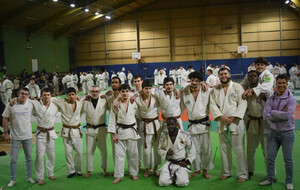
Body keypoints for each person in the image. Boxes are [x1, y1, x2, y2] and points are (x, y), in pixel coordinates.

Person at [210, 68, 248, 183]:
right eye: (221, 74)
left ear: (229, 74)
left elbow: (243, 103)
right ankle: (226, 172)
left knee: (239, 148)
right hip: (222, 122)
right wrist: (221, 117)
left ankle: (242, 174)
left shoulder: (237, 87)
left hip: (236, 122)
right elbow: (212, 105)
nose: (223, 76)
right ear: (218, 76)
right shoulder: (215, 90)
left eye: (225, 74)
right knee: (224, 148)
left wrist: (235, 116)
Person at [260, 74, 296, 190]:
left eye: (283, 83)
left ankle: (289, 181)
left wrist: (273, 113)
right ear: (276, 84)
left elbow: (287, 115)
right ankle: (270, 178)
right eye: (279, 83)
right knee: (270, 157)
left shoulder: (291, 99)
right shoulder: (271, 98)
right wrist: (278, 112)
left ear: (287, 83)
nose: (281, 85)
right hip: (273, 132)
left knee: (288, 159)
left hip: (287, 133)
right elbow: (265, 115)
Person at [181, 72, 213, 179]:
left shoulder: (206, 91)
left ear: (200, 82)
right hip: (192, 125)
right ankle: (196, 169)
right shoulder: (185, 92)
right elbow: (180, 107)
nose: (194, 83)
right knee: (194, 149)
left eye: (196, 81)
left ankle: (205, 169)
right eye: (192, 81)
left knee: (206, 148)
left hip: (204, 124)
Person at [2, 87, 35, 187]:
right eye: (22, 93)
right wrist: (6, 133)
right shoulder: (11, 104)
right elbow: (5, 118)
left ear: (28, 95)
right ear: (18, 94)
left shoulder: (31, 103)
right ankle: (13, 179)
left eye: (26, 94)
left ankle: (29, 176)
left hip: (28, 136)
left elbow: (44, 99)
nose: (24, 95)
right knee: (13, 160)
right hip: (15, 137)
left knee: (29, 158)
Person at [107, 84, 140, 184]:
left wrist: (136, 95)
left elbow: (144, 92)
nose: (125, 93)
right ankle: (119, 175)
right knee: (119, 155)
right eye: (123, 91)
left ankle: (133, 173)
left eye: (127, 91)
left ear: (129, 92)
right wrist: (113, 134)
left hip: (132, 131)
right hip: (120, 131)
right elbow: (112, 119)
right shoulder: (116, 105)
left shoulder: (134, 102)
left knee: (133, 154)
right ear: (119, 92)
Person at [243, 71, 272, 178]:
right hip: (251, 123)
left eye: (255, 76)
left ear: (258, 77)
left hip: (264, 123)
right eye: (250, 76)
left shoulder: (265, 90)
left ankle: (271, 173)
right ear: (248, 78)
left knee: (267, 151)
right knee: (250, 150)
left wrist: (263, 96)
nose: (253, 77)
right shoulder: (245, 92)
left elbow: (272, 102)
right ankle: (250, 171)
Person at [52, 87, 84, 178]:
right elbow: (51, 99)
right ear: (67, 96)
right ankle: (71, 171)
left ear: (76, 95)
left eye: (73, 94)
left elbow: (90, 98)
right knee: (68, 152)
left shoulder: (80, 102)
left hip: (77, 131)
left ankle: (79, 169)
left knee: (79, 152)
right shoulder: (62, 102)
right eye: (69, 95)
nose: (71, 96)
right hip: (66, 131)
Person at [31, 87, 58, 185]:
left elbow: (66, 100)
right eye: (44, 95)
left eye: (48, 95)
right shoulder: (35, 104)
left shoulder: (55, 104)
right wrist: (15, 99)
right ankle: (40, 177)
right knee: (39, 156)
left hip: (50, 132)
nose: (46, 97)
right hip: (41, 134)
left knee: (51, 155)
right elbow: (24, 100)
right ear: (41, 96)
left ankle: (50, 173)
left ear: (51, 96)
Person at [158, 117, 196, 187]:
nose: (170, 126)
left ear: (176, 124)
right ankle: (174, 176)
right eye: (168, 125)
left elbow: (192, 149)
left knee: (182, 183)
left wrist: (187, 162)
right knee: (162, 183)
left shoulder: (185, 135)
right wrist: (166, 153)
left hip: (181, 163)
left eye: (172, 124)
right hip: (169, 162)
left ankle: (178, 176)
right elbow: (159, 149)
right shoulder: (164, 136)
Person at [135, 80, 161, 177]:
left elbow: (163, 93)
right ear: (142, 89)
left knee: (157, 148)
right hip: (145, 126)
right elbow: (137, 114)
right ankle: (147, 168)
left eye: (150, 88)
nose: (148, 90)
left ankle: (155, 169)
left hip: (156, 125)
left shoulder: (156, 97)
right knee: (146, 150)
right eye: (146, 88)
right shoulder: (137, 99)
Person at [82, 85, 109, 178]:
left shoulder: (105, 101)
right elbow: (77, 108)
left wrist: (108, 95)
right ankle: (89, 170)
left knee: (104, 151)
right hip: (89, 129)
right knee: (89, 151)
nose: (94, 93)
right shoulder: (85, 102)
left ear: (99, 91)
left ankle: (104, 169)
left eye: (97, 91)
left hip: (101, 129)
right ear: (89, 92)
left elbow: (114, 105)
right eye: (92, 91)